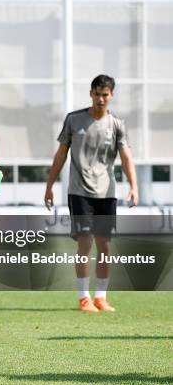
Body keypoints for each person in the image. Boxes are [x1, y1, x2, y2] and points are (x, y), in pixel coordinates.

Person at [44, 74, 138, 313]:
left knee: (105, 246)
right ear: (90, 94)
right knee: (85, 243)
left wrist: (134, 187)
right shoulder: (74, 120)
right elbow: (61, 154)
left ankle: (101, 297)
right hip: (80, 192)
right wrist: (49, 185)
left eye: (105, 94)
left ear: (112, 96)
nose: (100, 99)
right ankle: (83, 297)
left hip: (107, 193)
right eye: (97, 94)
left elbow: (126, 157)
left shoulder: (117, 124)